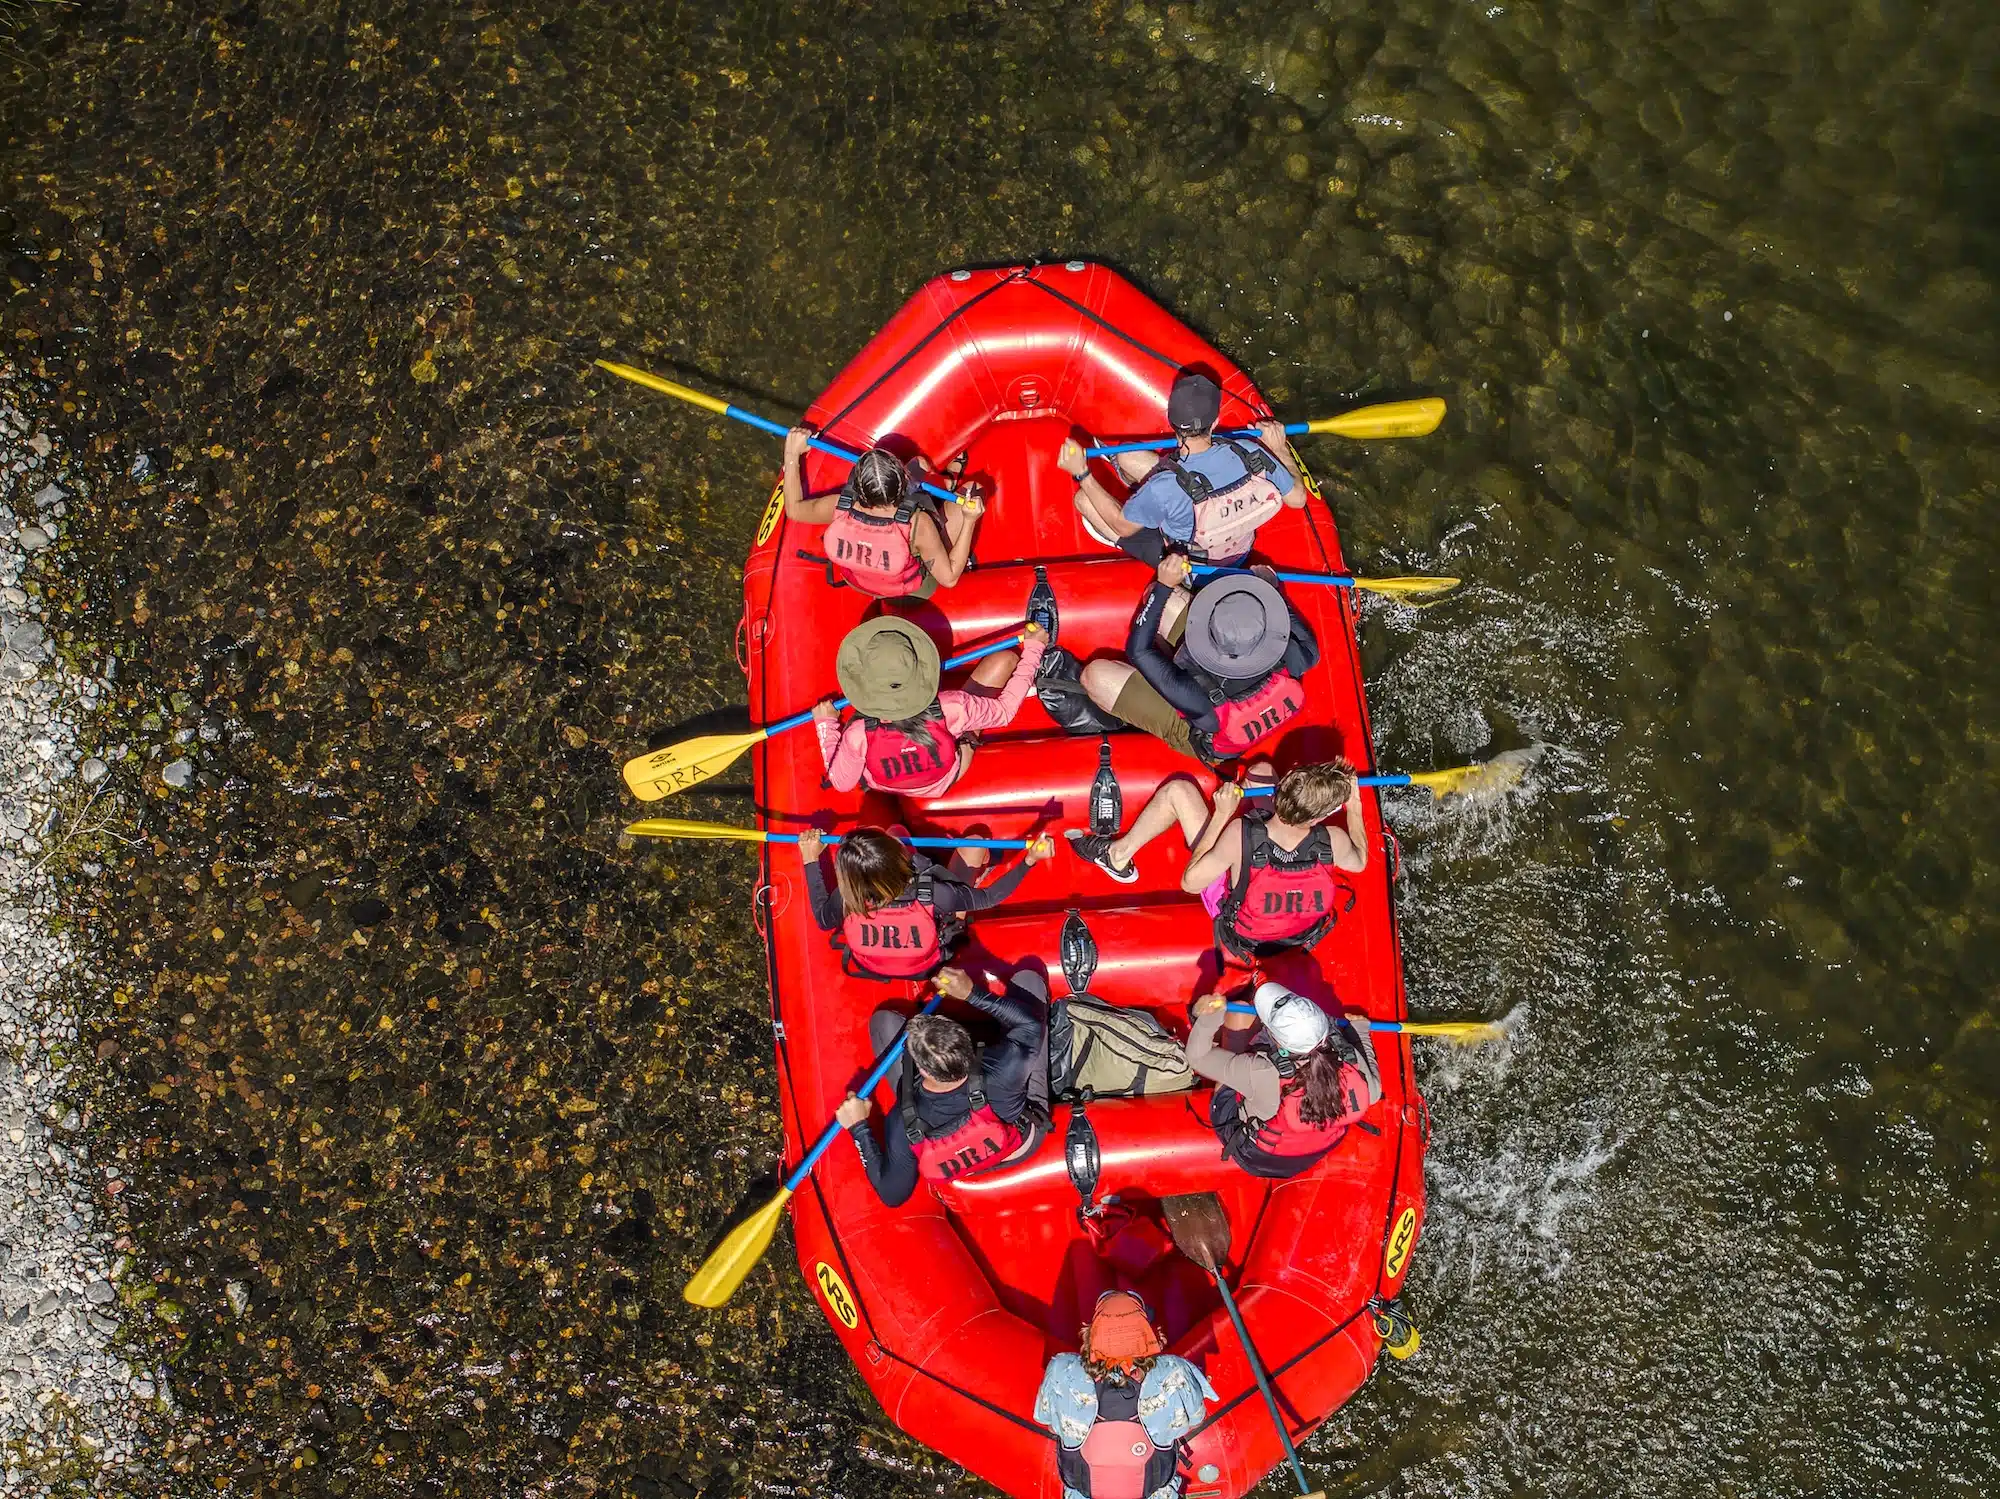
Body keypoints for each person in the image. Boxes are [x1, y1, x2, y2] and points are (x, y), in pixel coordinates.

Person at [1067, 760, 1366, 960]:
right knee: (1261, 769)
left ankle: (1117, 857)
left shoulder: (1238, 834)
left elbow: (1191, 882)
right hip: (1293, 936)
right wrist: (1354, 807)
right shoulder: (1335, 839)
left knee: (1178, 792)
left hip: (1242, 930)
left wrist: (1222, 815)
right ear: (1319, 817)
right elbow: (1360, 861)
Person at [836, 965, 1050, 1204]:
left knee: (884, 1021)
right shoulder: (1005, 1065)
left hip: (960, 1157)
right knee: (1028, 981)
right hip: (1018, 1144)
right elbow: (1031, 1025)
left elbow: (891, 1195)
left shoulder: (901, 1123)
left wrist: (858, 1127)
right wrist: (972, 994)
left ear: (924, 1070)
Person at [1057, 368, 1304, 568]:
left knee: (1083, 499)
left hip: (1187, 564)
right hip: (1238, 549)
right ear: (1216, 421)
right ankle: (1145, 505)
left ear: (1172, 423)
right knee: (1127, 457)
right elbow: (1298, 499)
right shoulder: (1250, 451)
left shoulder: (1164, 486)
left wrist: (1083, 473)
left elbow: (1122, 524)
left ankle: (1123, 538)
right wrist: (1279, 448)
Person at [1080, 562, 1317, 766]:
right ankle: (1169, 659)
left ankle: (1136, 707)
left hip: (1203, 729)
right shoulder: (1302, 653)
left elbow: (1138, 651)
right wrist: (1268, 583)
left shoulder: (1199, 701)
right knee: (1168, 600)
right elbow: (1277, 597)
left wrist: (1163, 587)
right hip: (1222, 691)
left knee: (1095, 676)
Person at [815, 616, 1047, 799]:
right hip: (945, 777)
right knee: (1004, 661)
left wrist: (826, 725)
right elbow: (1005, 713)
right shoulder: (953, 707)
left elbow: (841, 783)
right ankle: (1019, 687)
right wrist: (1034, 649)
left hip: (889, 784)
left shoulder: (857, 733)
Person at [798, 825, 1053, 981]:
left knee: (896, 832)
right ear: (897, 859)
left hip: (875, 965)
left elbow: (822, 919)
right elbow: (989, 897)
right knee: (973, 845)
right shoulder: (934, 894)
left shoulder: (850, 896)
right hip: (930, 960)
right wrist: (1029, 860)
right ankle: (979, 866)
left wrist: (810, 859)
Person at [1186, 980, 1381, 1179]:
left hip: (1253, 1154)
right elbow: (1374, 1092)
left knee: (1240, 1013)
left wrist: (1210, 1018)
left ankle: (1222, 1035)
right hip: (1311, 1154)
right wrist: (1360, 1031)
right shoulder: (1349, 1058)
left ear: (1277, 1041)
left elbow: (1197, 1057)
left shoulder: (1261, 1072)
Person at [1034, 1290, 1216, 1499]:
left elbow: (1046, 1420)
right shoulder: (1173, 1371)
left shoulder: (1061, 1368)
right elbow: (1195, 1419)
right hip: (1153, 1491)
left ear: (1092, 1332)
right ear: (1146, 1333)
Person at [782, 428, 983, 598]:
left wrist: (791, 456)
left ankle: (946, 483)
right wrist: (969, 520)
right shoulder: (917, 525)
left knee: (919, 464)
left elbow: (794, 509)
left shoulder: (838, 506)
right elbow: (949, 579)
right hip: (910, 591)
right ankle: (949, 483)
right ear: (903, 484)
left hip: (859, 583)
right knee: (973, 489)